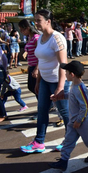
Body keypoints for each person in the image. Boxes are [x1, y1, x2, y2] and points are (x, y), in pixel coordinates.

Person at [21, 9, 69, 153]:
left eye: (38, 20)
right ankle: (38, 142)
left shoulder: (57, 38)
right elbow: (41, 61)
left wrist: (60, 87)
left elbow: (63, 64)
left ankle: (69, 140)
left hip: (57, 82)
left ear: (48, 21)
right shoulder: (41, 38)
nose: (36, 23)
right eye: (35, 20)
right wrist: (38, 82)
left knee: (65, 112)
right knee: (42, 111)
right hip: (44, 81)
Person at [49, 61, 88, 171]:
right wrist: (60, 97)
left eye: (66, 72)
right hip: (74, 121)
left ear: (72, 74)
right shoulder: (74, 85)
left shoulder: (81, 88)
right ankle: (63, 161)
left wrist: (79, 120)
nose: (65, 74)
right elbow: (72, 97)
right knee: (68, 141)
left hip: (83, 121)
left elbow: (86, 107)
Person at [18, 19, 40, 99]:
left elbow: (40, 55)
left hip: (36, 66)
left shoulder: (36, 38)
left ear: (27, 28)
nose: (21, 31)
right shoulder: (29, 37)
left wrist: (37, 68)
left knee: (36, 88)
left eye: (22, 29)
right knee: (31, 87)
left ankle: (46, 104)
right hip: (31, 66)